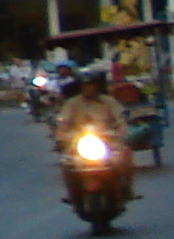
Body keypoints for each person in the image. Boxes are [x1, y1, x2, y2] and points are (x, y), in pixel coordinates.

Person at [55, 68, 135, 198]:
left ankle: (127, 188)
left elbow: (121, 119)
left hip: (108, 141)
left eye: (91, 86)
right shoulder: (72, 103)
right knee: (66, 163)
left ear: (98, 87)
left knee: (125, 155)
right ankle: (71, 193)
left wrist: (121, 131)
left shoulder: (108, 101)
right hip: (78, 143)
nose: (89, 89)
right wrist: (61, 135)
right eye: (85, 86)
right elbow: (63, 122)